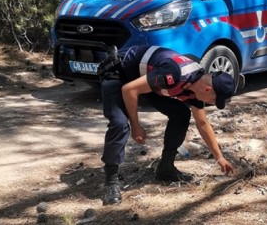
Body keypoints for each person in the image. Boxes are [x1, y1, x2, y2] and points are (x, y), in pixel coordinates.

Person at [97, 45, 236, 205]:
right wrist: (136, 125)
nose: (211, 103)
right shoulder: (174, 74)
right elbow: (129, 90)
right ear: (207, 89)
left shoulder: (196, 86)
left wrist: (219, 157)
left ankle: (165, 168)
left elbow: (202, 123)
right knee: (120, 123)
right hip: (118, 72)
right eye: (214, 99)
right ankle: (111, 181)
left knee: (181, 113)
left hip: (146, 80)